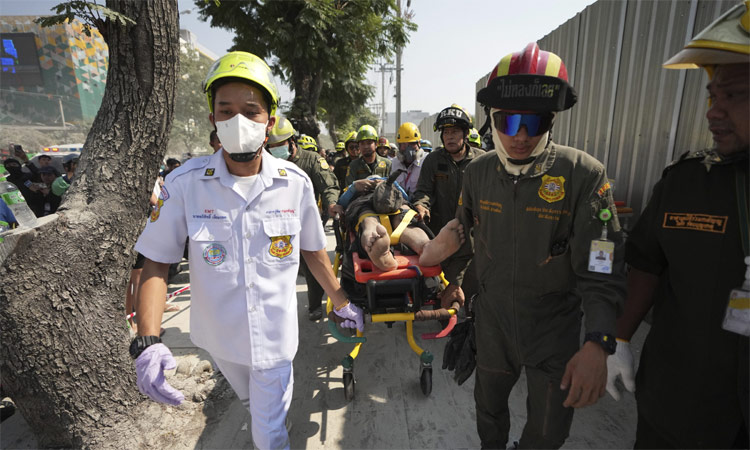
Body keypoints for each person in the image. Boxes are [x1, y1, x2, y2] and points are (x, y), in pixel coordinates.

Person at [131, 51, 363, 450]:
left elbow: (312, 251)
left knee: (268, 435)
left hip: (274, 339)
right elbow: (156, 262)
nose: (238, 121)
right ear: (213, 119)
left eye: (251, 111)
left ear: (269, 121)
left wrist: (341, 302)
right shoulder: (184, 184)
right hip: (220, 340)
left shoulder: (295, 183)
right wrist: (147, 341)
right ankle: (271, 419)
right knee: (256, 407)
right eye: (227, 111)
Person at [442, 42, 626, 449]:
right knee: (488, 411)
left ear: (552, 119)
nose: (521, 136)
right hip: (493, 325)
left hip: (553, 330)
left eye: (535, 121)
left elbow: (602, 267)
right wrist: (454, 281)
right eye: (508, 121)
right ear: (492, 119)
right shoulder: (477, 173)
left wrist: (599, 340)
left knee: (548, 429)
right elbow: (464, 237)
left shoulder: (583, 174)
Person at [606, 4, 750, 448]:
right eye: (713, 96)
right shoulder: (688, 181)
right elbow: (647, 262)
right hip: (678, 402)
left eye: (734, 95)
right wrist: (621, 337)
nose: (713, 113)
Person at [267, 115, 340, 321]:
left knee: (312, 264)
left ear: (291, 141)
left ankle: (315, 305)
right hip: (274, 223)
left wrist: (331, 204)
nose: (275, 149)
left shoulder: (311, 159)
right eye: (271, 146)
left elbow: (329, 186)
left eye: (280, 144)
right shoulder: (265, 162)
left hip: (305, 220)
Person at [411, 104, 484, 309]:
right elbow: (423, 191)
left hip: (473, 236)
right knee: (440, 286)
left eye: (455, 132)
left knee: (471, 288)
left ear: (466, 134)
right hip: (440, 233)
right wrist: (421, 206)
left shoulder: (482, 160)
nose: (450, 137)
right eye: (446, 132)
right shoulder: (433, 160)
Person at [331, 173, 464, 272]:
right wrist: (354, 187)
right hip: (364, 202)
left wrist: (390, 185)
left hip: (394, 202)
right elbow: (342, 202)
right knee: (371, 219)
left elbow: (405, 197)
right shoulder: (357, 187)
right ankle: (379, 248)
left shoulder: (390, 183)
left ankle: (427, 248)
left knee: (403, 218)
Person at [391, 122, 426, 198]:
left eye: (412, 143)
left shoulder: (427, 161)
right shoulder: (394, 163)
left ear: (419, 143)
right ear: (399, 145)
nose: (408, 148)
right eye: (404, 144)